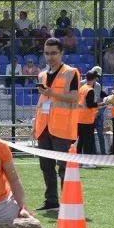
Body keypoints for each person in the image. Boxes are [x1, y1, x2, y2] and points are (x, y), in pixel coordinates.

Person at [34, 37, 80, 211]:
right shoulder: (42, 74)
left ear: (61, 53)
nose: (50, 57)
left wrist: (53, 93)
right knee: (45, 166)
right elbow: (42, 100)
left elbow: (75, 97)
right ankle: (51, 201)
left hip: (62, 127)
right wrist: (35, 123)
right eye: (47, 53)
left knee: (64, 167)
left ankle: (68, 202)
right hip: (43, 126)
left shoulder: (71, 72)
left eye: (54, 53)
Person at [76, 70, 99, 158]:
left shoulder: (82, 88)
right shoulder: (90, 90)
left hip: (80, 118)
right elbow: (90, 105)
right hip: (87, 119)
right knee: (87, 141)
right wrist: (101, 104)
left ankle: (78, 159)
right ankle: (87, 161)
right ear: (94, 79)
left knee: (81, 140)